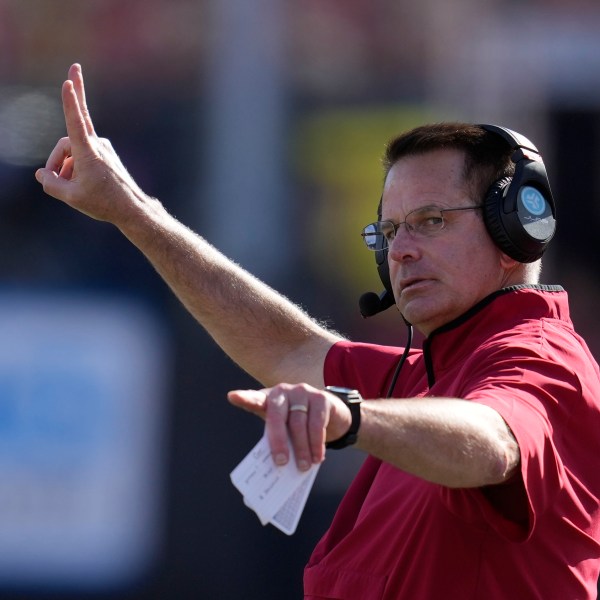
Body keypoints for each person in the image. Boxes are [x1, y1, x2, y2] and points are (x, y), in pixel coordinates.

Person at [35, 64, 600, 599]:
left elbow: (495, 438)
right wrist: (132, 210)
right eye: (389, 230)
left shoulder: (539, 358)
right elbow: (291, 349)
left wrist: (352, 415)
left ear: (519, 229)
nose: (400, 251)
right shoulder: (427, 377)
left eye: (432, 221)